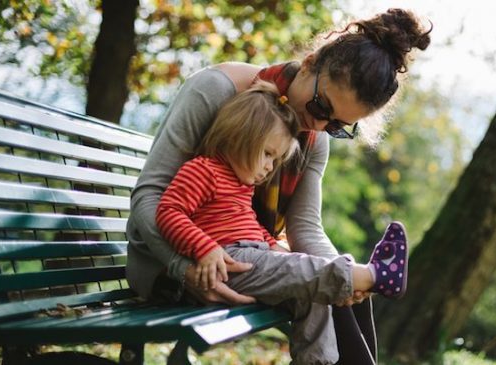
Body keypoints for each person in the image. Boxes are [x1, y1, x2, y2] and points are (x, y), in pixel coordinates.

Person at [126, 8, 431, 364]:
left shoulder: (313, 140)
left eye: (337, 126)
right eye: (321, 106)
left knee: (341, 294)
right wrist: (184, 269)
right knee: (333, 282)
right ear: (309, 63)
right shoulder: (217, 92)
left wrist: (340, 274)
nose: (318, 126)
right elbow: (150, 198)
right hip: (170, 264)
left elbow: (304, 227)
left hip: (249, 260)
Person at [154, 81, 409, 363]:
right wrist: (204, 248)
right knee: (306, 270)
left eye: (274, 160)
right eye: (267, 154)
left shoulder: (240, 184)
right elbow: (169, 211)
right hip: (228, 263)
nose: (268, 167)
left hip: (251, 258)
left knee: (312, 293)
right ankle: (372, 275)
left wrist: (273, 246)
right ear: (239, 137)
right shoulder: (202, 170)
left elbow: (249, 226)